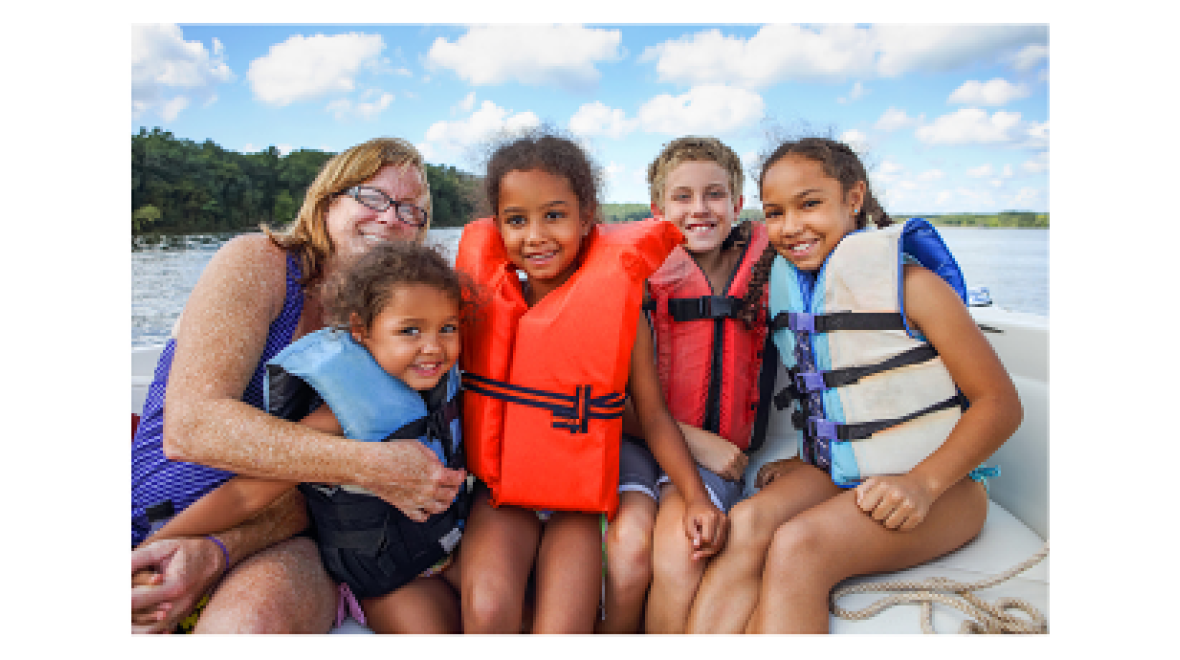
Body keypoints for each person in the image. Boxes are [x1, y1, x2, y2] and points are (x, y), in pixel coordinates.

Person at [683, 136, 1022, 633]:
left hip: (945, 491)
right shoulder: (794, 292)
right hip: (842, 471)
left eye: (810, 204)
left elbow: (1001, 404)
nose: (790, 226)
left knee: (798, 546)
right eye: (774, 213)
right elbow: (840, 398)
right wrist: (808, 456)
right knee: (747, 523)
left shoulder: (915, 287)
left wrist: (922, 483)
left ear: (854, 197)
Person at [130, 137, 461, 633]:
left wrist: (217, 550)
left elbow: (309, 496)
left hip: (276, 537)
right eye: (372, 197)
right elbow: (192, 429)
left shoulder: (391, 336)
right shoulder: (260, 263)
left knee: (245, 628)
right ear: (326, 202)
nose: (393, 218)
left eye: (412, 210)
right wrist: (374, 466)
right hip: (158, 518)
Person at [453, 128, 729, 634]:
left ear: (586, 218)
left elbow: (653, 417)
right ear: (497, 226)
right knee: (488, 611)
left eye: (554, 216)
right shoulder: (477, 306)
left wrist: (695, 496)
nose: (535, 236)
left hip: (575, 505)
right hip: (500, 496)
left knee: (561, 631)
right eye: (517, 220)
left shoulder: (621, 314)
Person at [599, 137, 771, 633]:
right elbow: (602, 396)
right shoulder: (633, 276)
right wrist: (694, 440)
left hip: (713, 460)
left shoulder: (767, 269)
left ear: (738, 204)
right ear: (658, 209)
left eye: (715, 194)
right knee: (628, 548)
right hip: (638, 443)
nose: (700, 209)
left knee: (681, 551)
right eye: (682, 197)